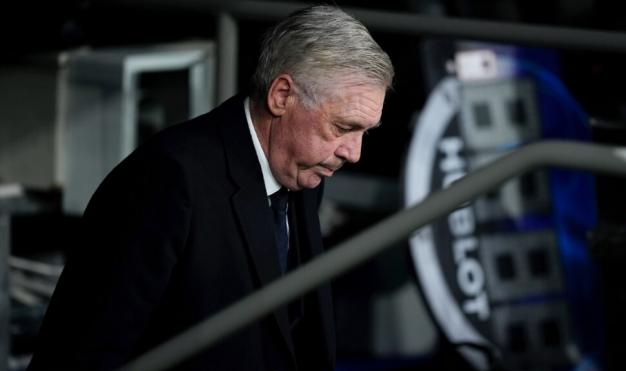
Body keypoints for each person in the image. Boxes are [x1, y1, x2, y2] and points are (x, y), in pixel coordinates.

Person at [27, 4, 393, 371]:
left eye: (365, 133)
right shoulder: (165, 181)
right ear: (282, 95)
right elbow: (83, 353)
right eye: (344, 127)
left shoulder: (304, 167)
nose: (354, 153)